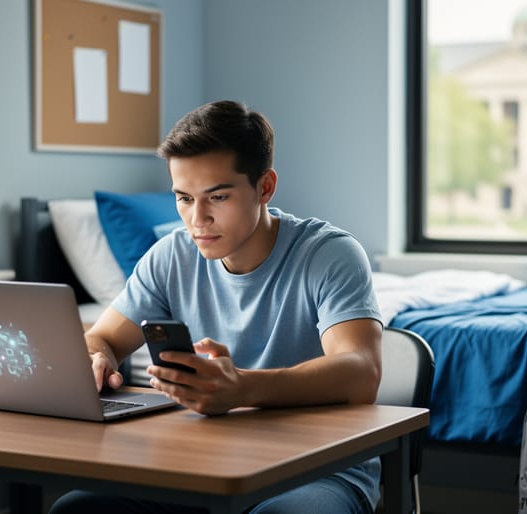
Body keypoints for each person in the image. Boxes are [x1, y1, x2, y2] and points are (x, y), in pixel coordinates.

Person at [49, 100, 383, 514]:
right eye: (184, 198)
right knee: (78, 509)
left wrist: (242, 387)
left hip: (317, 469)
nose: (196, 219)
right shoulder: (170, 255)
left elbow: (361, 371)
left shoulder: (330, 254)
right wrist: (96, 357)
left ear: (265, 187)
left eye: (217, 196)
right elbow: (101, 338)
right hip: (200, 462)